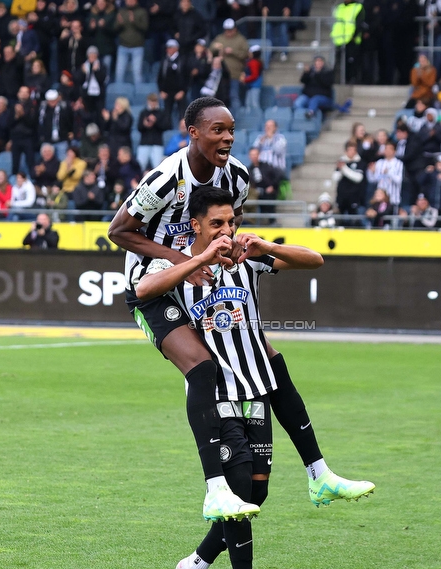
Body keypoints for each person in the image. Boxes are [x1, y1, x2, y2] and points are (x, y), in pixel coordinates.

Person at [107, 97, 375, 521]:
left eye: (231, 129)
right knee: (201, 366)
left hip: (205, 277)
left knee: (267, 359)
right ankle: (215, 489)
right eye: (217, 129)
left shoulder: (237, 176)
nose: (228, 137)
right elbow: (118, 231)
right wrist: (185, 263)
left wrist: (233, 253)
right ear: (192, 131)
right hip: (156, 285)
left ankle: (319, 473)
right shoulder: (163, 179)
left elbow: (231, 221)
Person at [134, 187, 327, 569]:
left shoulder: (246, 255)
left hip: (254, 385)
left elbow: (315, 260)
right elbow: (145, 289)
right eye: (217, 223)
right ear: (196, 224)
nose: (227, 230)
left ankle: (195, 564)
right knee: (237, 490)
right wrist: (198, 261)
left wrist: (266, 245)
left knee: (256, 494)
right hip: (215, 394)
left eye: (231, 222)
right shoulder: (177, 260)